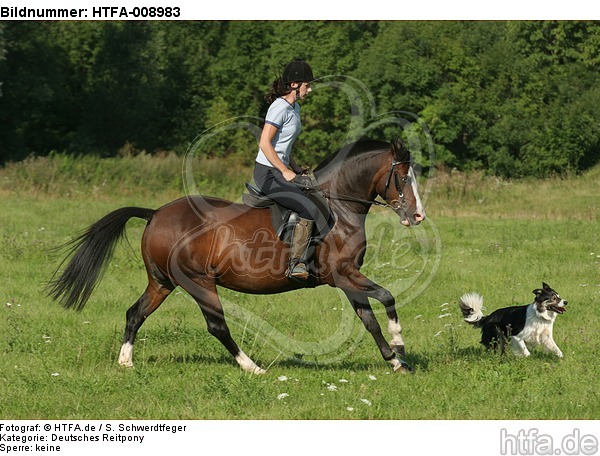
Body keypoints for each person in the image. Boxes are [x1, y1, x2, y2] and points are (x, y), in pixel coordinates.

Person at [253, 59, 321, 281]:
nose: (309, 89)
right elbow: (265, 143)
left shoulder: (295, 107)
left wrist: (295, 167)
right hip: (267, 173)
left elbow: (283, 144)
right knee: (307, 208)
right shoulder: (279, 107)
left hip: (278, 169)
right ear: (294, 85)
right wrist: (285, 171)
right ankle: (296, 264)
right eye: (306, 85)